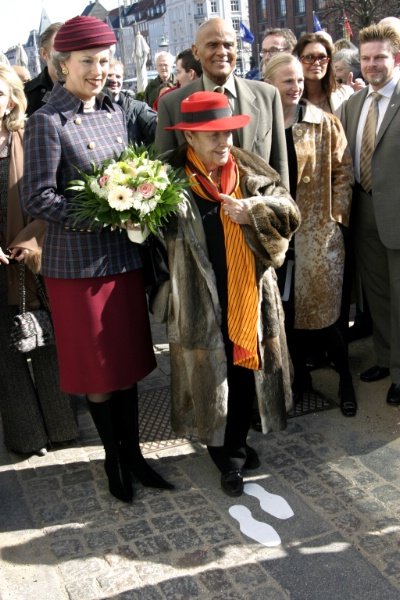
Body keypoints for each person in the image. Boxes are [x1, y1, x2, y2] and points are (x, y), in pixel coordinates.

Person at [22, 15, 173, 502]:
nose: (98, 70)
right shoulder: (47, 120)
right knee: (99, 371)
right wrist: (103, 214)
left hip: (121, 262)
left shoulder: (116, 111)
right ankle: (114, 462)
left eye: (104, 61)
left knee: (127, 364)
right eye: (87, 61)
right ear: (61, 64)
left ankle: (135, 456)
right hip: (78, 269)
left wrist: (141, 197)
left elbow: (133, 172)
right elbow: (38, 198)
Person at [157, 91, 300, 496]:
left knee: (241, 370)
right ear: (189, 138)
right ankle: (228, 457)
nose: (224, 144)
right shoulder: (166, 180)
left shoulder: (249, 170)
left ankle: (234, 443)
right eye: (213, 136)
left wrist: (252, 212)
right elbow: (149, 239)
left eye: (229, 135)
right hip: (198, 298)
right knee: (211, 374)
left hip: (247, 294)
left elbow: (290, 212)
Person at [264, 54, 355, 416]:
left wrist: (336, 218)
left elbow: (343, 171)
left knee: (328, 318)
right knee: (287, 315)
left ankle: (345, 377)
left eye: (299, 80)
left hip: (320, 237)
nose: (296, 87)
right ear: (270, 83)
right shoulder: (263, 127)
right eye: (287, 81)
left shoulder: (323, 122)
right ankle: (299, 379)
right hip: (277, 239)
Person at [0, 63, 78, 456]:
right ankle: (27, 437)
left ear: (11, 98)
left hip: (32, 254)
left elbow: (52, 192)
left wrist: (30, 241)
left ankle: (62, 427)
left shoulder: (28, 135)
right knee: (5, 354)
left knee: (46, 338)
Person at [155, 17, 289, 190]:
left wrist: (281, 212)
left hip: (258, 211)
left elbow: (280, 167)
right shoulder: (171, 104)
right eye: (213, 45)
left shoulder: (267, 96)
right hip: (201, 214)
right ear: (196, 52)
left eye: (228, 45)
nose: (222, 52)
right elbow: (163, 174)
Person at [344, 24, 400, 405]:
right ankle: (385, 358)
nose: (372, 65)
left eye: (379, 57)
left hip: (397, 213)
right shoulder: (352, 103)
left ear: (395, 58)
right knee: (377, 295)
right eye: (365, 58)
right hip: (363, 210)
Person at [293, 32, 353, 120]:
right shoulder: (289, 96)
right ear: (298, 60)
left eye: (322, 57)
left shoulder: (346, 95)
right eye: (309, 57)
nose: (316, 63)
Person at [106, 59, 157, 145]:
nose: (114, 80)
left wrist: (161, 121)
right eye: (109, 75)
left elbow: (153, 125)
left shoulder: (138, 108)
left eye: (118, 76)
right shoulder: (91, 108)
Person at [24, 22, 63, 117]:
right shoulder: (26, 94)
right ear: (44, 53)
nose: (66, 57)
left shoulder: (89, 88)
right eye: (60, 51)